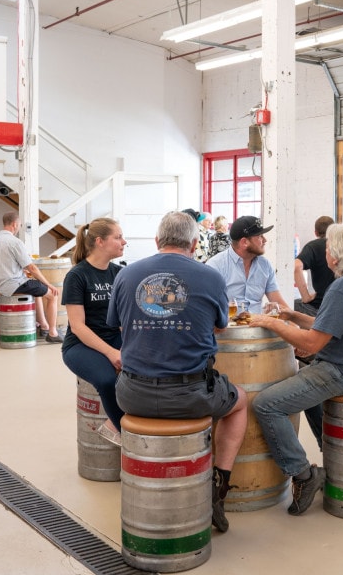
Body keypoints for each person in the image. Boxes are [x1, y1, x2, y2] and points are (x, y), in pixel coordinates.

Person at [106, 211, 248, 533]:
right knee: (240, 400)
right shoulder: (209, 277)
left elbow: (117, 323)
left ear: (157, 241)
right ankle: (217, 489)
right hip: (190, 395)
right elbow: (219, 327)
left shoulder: (127, 275)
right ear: (195, 243)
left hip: (131, 393)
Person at [249, 224, 343, 515]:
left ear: (336, 255)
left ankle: (303, 474)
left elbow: (314, 343)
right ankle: (333, 454)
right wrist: (291, 315)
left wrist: (272, 323)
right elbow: (327, 325)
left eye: (328, 247)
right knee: (304, 386)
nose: (325, 251)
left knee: (266, 404)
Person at [61, 218, 127, 446]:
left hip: (113, 337)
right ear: (100, 241)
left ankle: (111, 423)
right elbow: (78, 326)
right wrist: (111, 353)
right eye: (118, 237)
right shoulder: (77, 276)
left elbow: (123, 318)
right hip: (80, 344)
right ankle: (128, 436)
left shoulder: (119, 272)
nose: (123, 241)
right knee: (108, 380)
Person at [0, 211, 63, 342]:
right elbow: (32, 268)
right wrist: (48, 284)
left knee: (36, 289)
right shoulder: (15, 242)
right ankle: (53, 332)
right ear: (15, 224)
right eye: (20, 225)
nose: (19, 227)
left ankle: (43, 326)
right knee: (52, 294)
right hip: (14, 285)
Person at [206, 215, 291, 314]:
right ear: (244, 242)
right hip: (227, 329)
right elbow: (205, 308)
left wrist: (295, 326)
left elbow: (279, 304)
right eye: (260, 236)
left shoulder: (265, 265)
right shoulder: (215, 266)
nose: (265, 240)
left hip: (259, 327)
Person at [294, 216, 336, 317]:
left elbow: (296, 266)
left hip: (320, 306)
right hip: (342, 307)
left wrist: (306, 297)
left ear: (316, 232)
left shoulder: (313, 246)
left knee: (294, 304)